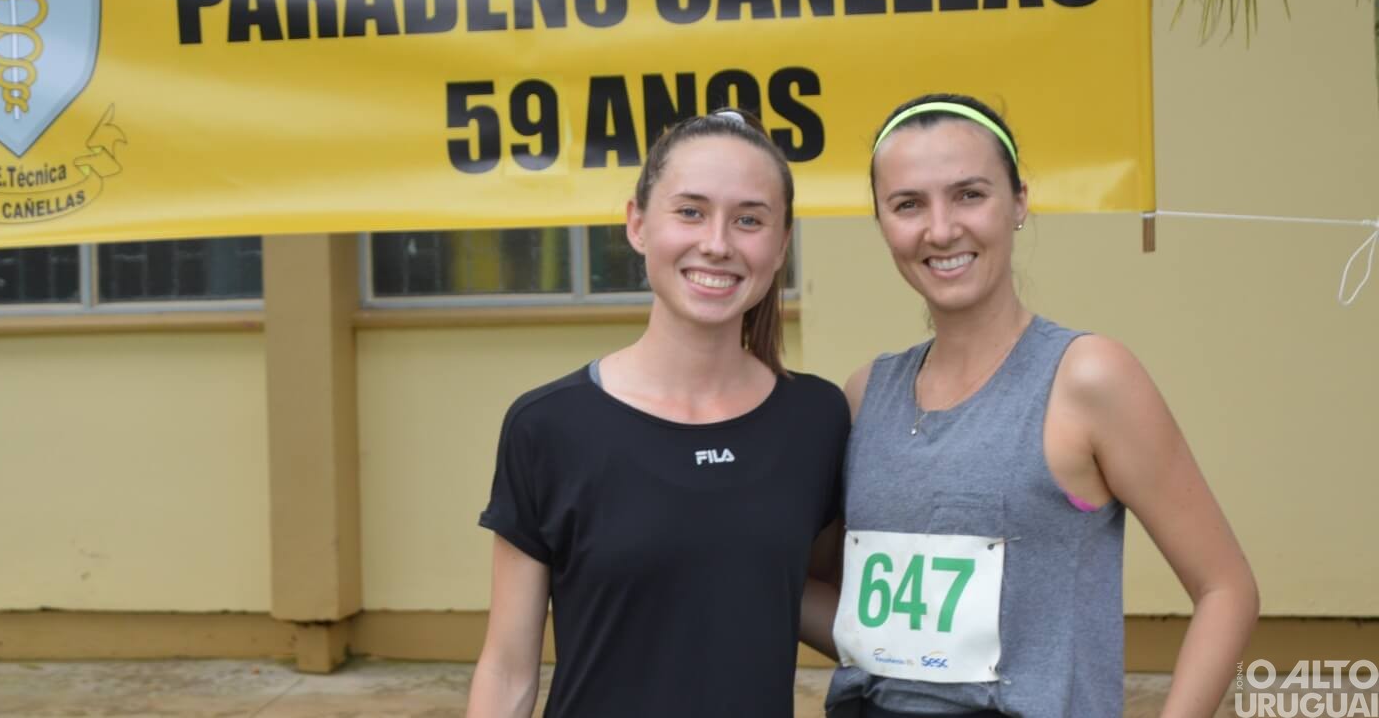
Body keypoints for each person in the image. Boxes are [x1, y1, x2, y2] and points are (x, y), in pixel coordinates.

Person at [825, 94, 1257, 718]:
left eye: (970, 194)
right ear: (881, 221)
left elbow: (1227, 589)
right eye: (908, 204)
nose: (941, 229)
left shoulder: (1088, 378)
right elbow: (859, 616)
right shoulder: (866, 395)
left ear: (1019, 201)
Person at [466, 108, 848, 718]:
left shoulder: (817, 418)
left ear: (781, 245)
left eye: (749, 219)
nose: (717, 243)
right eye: (690, 211)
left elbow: (816, 598)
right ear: (638, 224)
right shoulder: (549, 426)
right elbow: (508, 668)